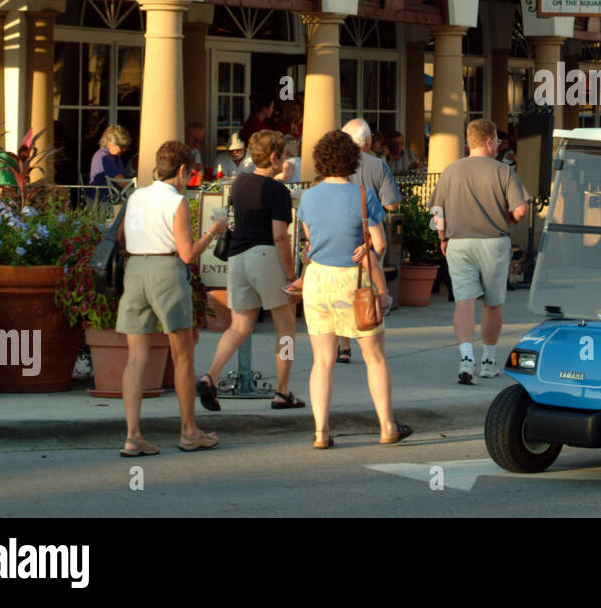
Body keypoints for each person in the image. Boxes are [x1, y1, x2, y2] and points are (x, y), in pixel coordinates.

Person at [293, 130, 408, 447]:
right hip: (352, 280)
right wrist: (368, 247)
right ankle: (386, 426)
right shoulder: (362, 195)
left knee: (322, 360)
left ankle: (321, 432)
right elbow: (380, 244)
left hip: (317, 280)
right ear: (352, 160)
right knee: (374, 357)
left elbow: (309, 241)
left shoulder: (309, 196)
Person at [114, 140, 227, 456]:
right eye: (189, 173)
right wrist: (214, 231)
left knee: (135, 359)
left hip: (135, 270)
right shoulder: (175, 201)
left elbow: (121, 238)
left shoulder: (136, 196)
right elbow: (187, 254)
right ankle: (189, 432)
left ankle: (133, 437)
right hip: (167, 271)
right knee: (183, 356)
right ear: (181, 170)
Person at [197, 131, 305, 412]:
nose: (286, 160)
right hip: (266, 255)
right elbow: (280, 236)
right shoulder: (278, 191)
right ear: (274, 157)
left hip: (238, 258)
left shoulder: (240, 182)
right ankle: (282, 390)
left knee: (239, 326)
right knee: (286, 329)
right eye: (283, 155)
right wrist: (291, 276)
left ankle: (211, 375)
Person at [430, 119, 530, 384]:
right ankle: (488, 359)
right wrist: (509, 218)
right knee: (492, 303)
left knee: (464, 301)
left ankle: (466, 357)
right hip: (493, 241)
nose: (498, 145)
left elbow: (436, 212)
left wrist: (442, 237)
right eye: (497, 140)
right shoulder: (503, 171)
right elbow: (520, 210)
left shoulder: (450, 171)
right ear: (488, 142)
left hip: (458, 242)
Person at [339, 117, 403, 360]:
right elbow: (391, 203)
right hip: (369, 235)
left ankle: (343, 345)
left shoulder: (335, 164)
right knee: (366, 287)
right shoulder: (378, 166)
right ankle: (367, 340)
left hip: (341, 234)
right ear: (367, 141)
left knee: (343, 290)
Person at [88, 125, 133, 200]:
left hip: (112, 198)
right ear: (110, 144)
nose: (124, 150)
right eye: (121, 147)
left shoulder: (116, 157)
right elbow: (122, 183)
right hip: (102, 201)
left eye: (125, 147)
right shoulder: (103, 157)